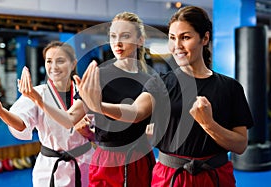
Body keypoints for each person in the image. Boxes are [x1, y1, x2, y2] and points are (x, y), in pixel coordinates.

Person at [78, 6, 254, 187]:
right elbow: (135, 112)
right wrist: (99, 106)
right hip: (170, 178)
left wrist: (208, 124)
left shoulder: (230, 87)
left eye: (185, 37)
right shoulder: (160, 83)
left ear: (205, 38)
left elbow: (240, 145)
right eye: (172, 38)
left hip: (215, 178)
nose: (177, 45)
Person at [17, 12, 156, 187]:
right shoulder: (100, 75)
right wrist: (38, 100)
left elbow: (138, 115)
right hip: (107, 159)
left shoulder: (151, 79)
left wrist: (98, 107)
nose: (117, 43)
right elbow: (68, 120)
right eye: (113, 36)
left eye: (125, 36)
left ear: (140, 40)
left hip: (140, 159)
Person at [0, 41, 94, 187]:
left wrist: (90, 132)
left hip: (84, 163)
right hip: (51, 166)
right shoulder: (37, 93)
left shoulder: (84, 92)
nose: (54, 67)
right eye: (49, 61)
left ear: (73, 63)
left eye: (60, 61)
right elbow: (21, 124)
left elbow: (99, 130)